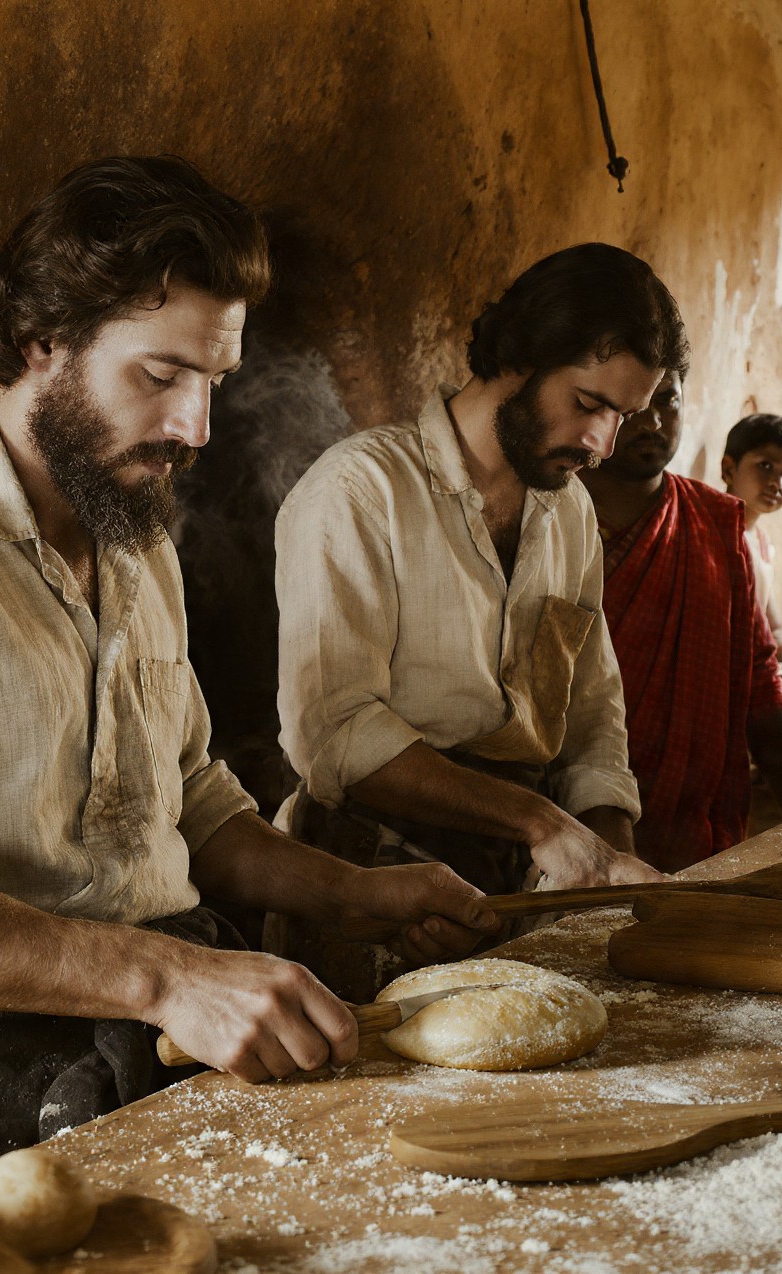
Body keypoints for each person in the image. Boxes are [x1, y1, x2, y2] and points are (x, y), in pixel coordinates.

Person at [0, 155, 496, 1237]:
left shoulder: (132, 538)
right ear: (42, 342)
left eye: (214, 383)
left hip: (143, 1050)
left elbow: (185, 799)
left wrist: (352, 892)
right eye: (159, 376)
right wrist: (169, 977)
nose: (194, 425)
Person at [273, 243, 686, 998]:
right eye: (588, 403)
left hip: (512, 879)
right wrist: (544, 826)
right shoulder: (360, 493)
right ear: (520, 360)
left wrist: (605, 876)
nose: (602, 444)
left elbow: (593, 716)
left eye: (623, 417)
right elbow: (335, 730)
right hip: (364, 883)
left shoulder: (568, 519)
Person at [581, 372, 782, 871]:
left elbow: (758, 673)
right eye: (636, 406)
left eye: (668, 401)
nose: (655, 421)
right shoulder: (548, 519)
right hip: (568, 821)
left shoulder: (714, 522)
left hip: (687, 823)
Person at [721, 413, 782, 661]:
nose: (777, 483)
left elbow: (768, 615)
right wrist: (775, 645)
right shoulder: (714, 531)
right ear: (729, 470)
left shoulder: (762, 544)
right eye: (765, 466)